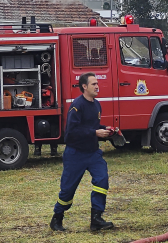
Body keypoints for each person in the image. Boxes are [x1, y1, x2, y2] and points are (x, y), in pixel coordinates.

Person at [50, 72, 114, 232]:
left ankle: (96, 219)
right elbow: (71, 132)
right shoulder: (77, 106)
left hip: (93, 153)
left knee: (102, 180)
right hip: (75, 154)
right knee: (67, 190)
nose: (97, 86)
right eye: (93, 84)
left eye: (97, 83)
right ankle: (57, 218)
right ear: (84, 87)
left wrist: (105, 129)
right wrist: (94, 132)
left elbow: (92, 126)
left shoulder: (97, 104)